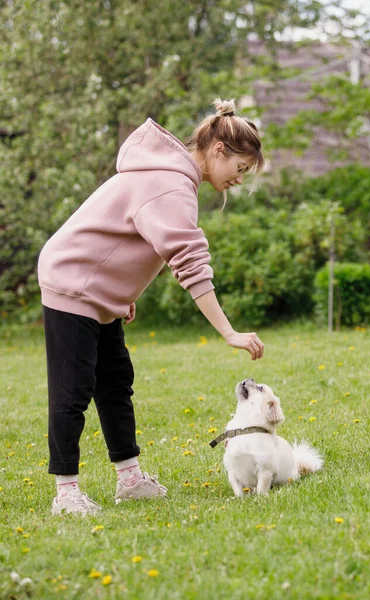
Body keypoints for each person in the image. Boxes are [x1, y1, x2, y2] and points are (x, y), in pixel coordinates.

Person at [37, 98, 265, 515]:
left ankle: (130, 479)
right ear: (218, 150)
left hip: (95, 287)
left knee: (115, 382)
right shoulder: (170, 184)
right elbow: (190, 264)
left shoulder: (171, 179)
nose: (239, 178)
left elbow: (128, 237)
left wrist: (122, 294)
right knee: (73, 389)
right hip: (72, 282)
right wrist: (229, 332)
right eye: (241, 167)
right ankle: (65, 492)